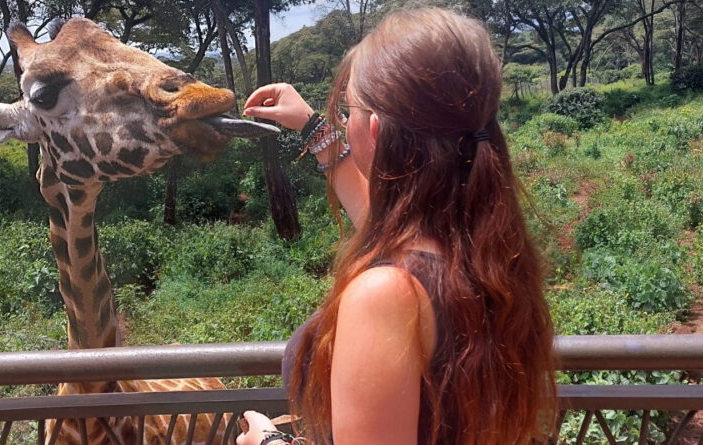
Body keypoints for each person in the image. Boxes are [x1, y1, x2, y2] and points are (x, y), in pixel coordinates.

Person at [236, 8, 556, 445]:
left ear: (375, 129)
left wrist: (269, 442)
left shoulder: (389, 294)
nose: (344, 123)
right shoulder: (482, 250)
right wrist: (312, 126)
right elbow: (387, 226)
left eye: (348, 110)